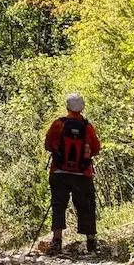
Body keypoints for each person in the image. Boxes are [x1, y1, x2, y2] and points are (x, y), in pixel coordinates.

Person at [44, 94, 100, 256]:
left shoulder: (58, 124)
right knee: (86, 206)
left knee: (58, 205)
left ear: (67, 107)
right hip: (83, 174)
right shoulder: (87, 126)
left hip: (59, 173)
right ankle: (91, 243)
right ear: (82, 108)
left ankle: (57, 242)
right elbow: (95, 148)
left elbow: (48, 144)